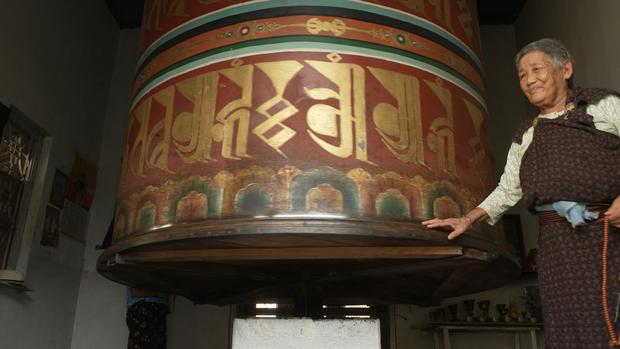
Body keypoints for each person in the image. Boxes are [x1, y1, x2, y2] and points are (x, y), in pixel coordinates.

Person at [422, 38, 620, 348]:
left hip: (607, 234)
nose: (529, 80)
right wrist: (468, 218)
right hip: (556, 246)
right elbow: (508, 188)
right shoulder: (527, 133)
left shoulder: (601, 106)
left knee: (609, 323)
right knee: (565, 326)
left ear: (565, 69)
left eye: (536, 69)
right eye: (522, 75)